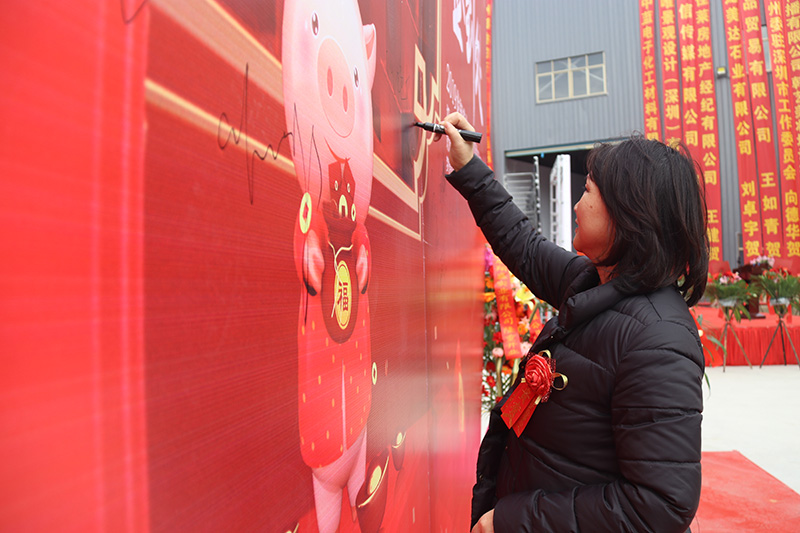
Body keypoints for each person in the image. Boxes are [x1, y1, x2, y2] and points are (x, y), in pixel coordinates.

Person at [434, 113, 708, 532]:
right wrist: (469, 166)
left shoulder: (659, 340)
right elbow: (524, 245)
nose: (578, 206)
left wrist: (514, 521)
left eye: (588, 191)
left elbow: (658, 507)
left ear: (629, 213)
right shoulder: (594, 282)